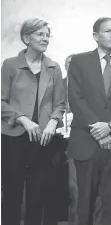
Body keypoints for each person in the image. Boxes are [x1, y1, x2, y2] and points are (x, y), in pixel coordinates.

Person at [1, 18, 65, 225]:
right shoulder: (10, 65)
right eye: (40, 34)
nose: (45, 38)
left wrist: (53, 123)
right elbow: (1, 102)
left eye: (47, 35)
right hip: (14, 138)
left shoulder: (54, 67)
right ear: (26, 38)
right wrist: (23, 120)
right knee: (12, 193)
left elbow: (60, 105)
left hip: (43, 141)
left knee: (38, 196)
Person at [67, 17, 111, 225]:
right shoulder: (79, 61)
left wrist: (110, 128)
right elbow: (76, 99)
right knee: (84, 203)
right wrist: (98, 131)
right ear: (95, 36)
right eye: (108, 31)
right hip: (86, 143)